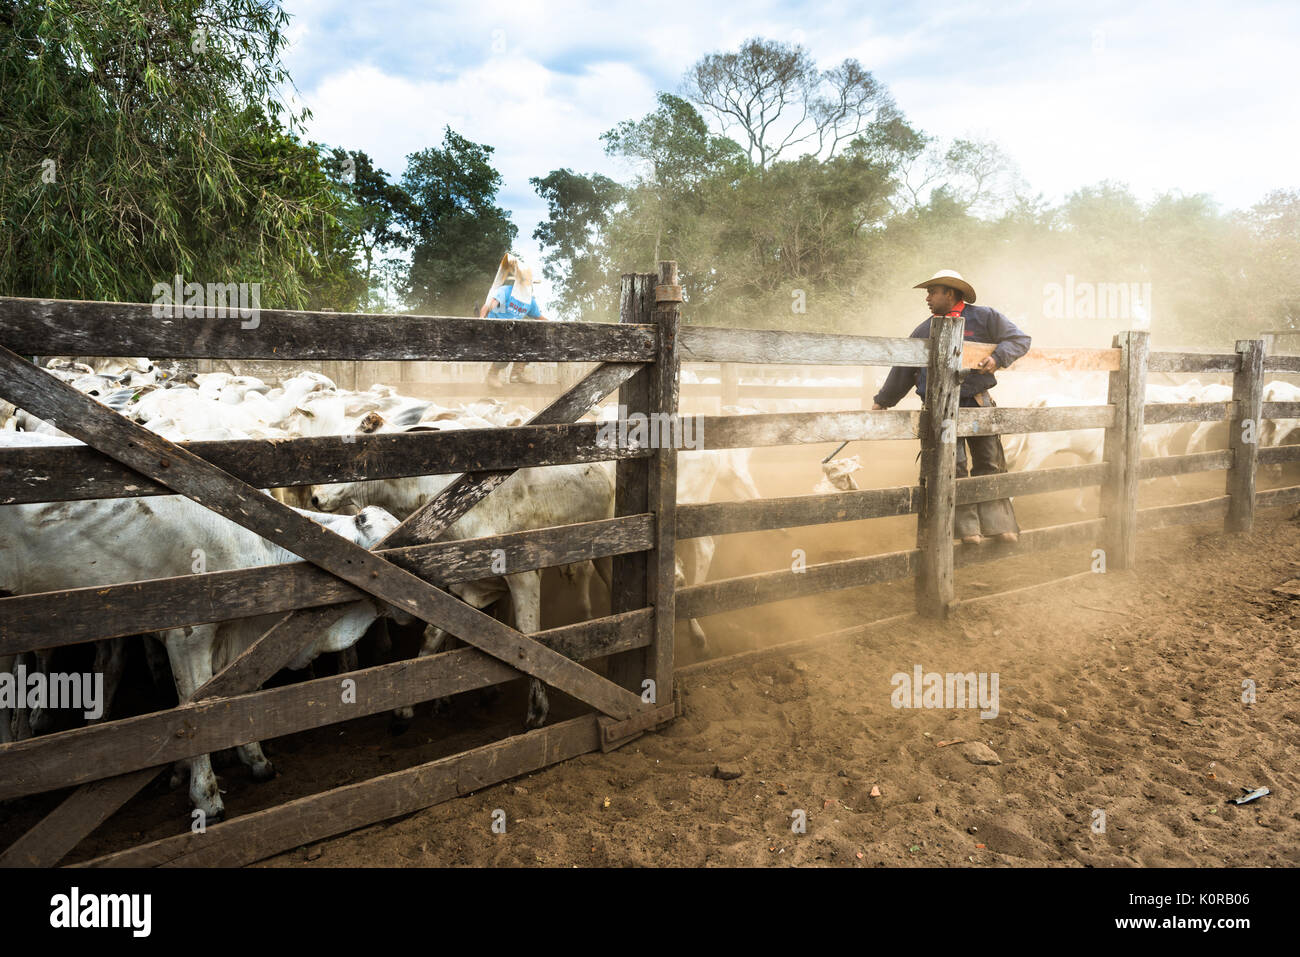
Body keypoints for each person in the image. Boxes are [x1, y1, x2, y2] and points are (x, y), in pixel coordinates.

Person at [871, 269, 1031, 545]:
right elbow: (904, 370)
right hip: (940, 410)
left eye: (932, 292)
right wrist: (883, 400)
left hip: (977, 403)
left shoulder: (985, 317)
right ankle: (967, 530)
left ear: (950, 293)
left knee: (989, 463)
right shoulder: (924, 329)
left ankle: (1000, 525)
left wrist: (997, 357)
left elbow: (1020, 340)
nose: (928, 298)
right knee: (953, 467)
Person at [479, 253, 548, 387]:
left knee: (533, 338)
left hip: (513, 333)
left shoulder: (529, 301)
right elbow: (488, 306)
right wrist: (482, 319)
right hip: (496, 330)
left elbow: (539, 317)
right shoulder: (505, 291)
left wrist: (556, 326)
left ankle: (517, 373)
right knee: (508, 346)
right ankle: (492, 375)